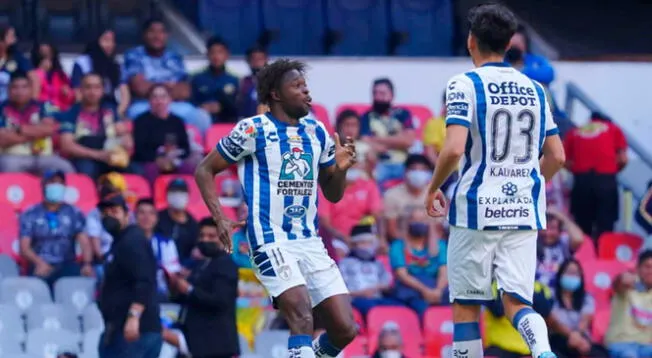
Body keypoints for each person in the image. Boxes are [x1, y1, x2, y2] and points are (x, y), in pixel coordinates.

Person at [424, 4, 565, 358]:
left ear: (471, 41)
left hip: (476, 210)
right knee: (518, 300)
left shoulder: (463, 84)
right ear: (507, 44)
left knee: (466, 304)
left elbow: (454, 148)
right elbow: (558, 156)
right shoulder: (535, 89)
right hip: (523, 210)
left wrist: (433, 187)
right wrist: (530, 184)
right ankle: (543, 351)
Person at [195, 59, 358, 358]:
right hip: (270, 240)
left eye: (306, 86)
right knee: (302, 318)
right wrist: (220, 218)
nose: (306, 92)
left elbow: (332, 195)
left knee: (345, 329)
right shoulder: (253, 130)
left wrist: (341, 170)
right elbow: (204, 170)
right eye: (297, 86)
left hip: (310, 241)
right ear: (275, 94)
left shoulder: (317, 131)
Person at [97, 193, 162, 358]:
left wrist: (134, 316)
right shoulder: (120, 241)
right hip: (121, 329)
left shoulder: (132, 240)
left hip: (136, 331)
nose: (109, 215)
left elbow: (145, 280)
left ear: (127, 214)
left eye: (114, 211)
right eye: (105, 212)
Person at [165, 217, 240, 358]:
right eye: (202, 236)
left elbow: (220, 300)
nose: (205, 240)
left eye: (211, 236)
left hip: (217, 346)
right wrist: (175, 286)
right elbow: (189, 298)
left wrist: (188, 289)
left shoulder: (226, 265)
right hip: (196, 343)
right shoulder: (200, 264)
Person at [124, 18, 211, 133]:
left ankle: (197, 150)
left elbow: (184, 91)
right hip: (145, 104)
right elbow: (139, 88)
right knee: (134, 113)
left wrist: (154, 86)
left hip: (173, 105)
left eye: (161, 32)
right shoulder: (134, 55)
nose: (157, 36)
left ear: (167, 35)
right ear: (145, 35)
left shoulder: (175, 58)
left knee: (201, 117)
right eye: (152, 31)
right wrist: (169, 86)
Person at [19, 170, 94, 287]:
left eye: (60, 183)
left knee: (78, 280)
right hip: (40, 263)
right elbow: (24, 248)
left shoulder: (74, 212)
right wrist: (39, 263)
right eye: (52, 182)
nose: (56, 186)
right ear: (43, 185)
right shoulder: (30, 213)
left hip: (67, 264)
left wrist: (87, 264)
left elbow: (84, 242)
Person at [564, 111, 628, 241]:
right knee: (606, 225)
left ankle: (583, 257)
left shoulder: (574, 131)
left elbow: (563, 159)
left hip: (581, 181)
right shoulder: (613, 128)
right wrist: (613, 169)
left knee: (582, 225)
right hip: (606, 180)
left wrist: (577, 170)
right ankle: (603, 256)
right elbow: (623, 159)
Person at [58, 72, 133, 179]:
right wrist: (98, 155)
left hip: (110, 155)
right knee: (87, 171)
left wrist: (125, 139)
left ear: (102, 90)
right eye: (88, 87)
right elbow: (66, 146)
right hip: (84, 157)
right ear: (81, 90)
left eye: (97, 87)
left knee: (132, 170)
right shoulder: (71, 113)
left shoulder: (111, 110)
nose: (92, 92)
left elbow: (126, 139)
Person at [0, 72, 75, 173]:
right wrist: (38, 131)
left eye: (24, 87)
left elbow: (51, 128)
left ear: (31, 89)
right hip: (13, 157)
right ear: (8, 90)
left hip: (44, 157)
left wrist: (18, 130)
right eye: (15, 87)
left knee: (66, 168)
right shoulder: (2, 109)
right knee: (8, 166)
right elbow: (3, 140)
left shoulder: (44, 106)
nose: (20, 91)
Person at [132, 84, 198, 184]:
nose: (159, 101)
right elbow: (140, 151)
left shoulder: (177, 121)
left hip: (174, 160)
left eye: (163, 97)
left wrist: (174, 156)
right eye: (155, 97)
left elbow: (186, 148)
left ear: (169, 99)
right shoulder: (140, 121)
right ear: (149, 101)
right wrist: (158, 160)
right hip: (151, 162)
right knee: (150, 170)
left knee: (192, 170)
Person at [389, 207, 448, 317]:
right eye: (415, 220)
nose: (419, 224)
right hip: (411, 289)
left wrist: (438, 291)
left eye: (422, 220)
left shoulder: (441, 245)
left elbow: (444, 272)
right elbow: (402, 275)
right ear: (408, 223)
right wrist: (425, 291)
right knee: (421, 307)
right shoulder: (397, 246)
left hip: (436, 286)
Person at [360, 78, 415, 184]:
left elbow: (409, 141)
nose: (377, 97)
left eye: (382, 93)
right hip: (379, 163)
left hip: (403, 163)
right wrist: (398, 139)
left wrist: (377, 139)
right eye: (375, 93)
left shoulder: (402, 114)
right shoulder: (366, 117)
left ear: (391, 95)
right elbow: (365, 140)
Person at [549, 259, 608, 357]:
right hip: (558, 336)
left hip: (581, 337)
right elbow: (552, 321)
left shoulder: (587, 298)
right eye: (569, 272)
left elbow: (586, 319)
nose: (572, 276)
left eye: (575, 273)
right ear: (560, 275)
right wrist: (571, 335)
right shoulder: (550, 295)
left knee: (601, 354)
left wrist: (578, 337)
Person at [71, 28, 131, 117]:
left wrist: (117, 114)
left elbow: (125, 95)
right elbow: (77, 93)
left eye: (112, 41)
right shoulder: (82, 62)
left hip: (110, 108)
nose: (110, 45)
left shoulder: (116, 65)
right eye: (106, 40)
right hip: (87, 107)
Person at [606, 250, 652, 358]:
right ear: (638, 269)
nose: (651, 271)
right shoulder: (627, 288)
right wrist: (625, 279)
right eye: (647, 266)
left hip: (646, 347)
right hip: (621, 344)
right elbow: (619, 283)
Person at [339, 225, 394, 316]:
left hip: (378, 298)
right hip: (356, 299)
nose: (367, 246)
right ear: (354, 244)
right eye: (363, 243)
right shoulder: (344, 264)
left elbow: (387, 283)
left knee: (398, 308)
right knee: (373, 310)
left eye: (369, 243)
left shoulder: (377, 263)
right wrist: (361, 293)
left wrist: (377, 287)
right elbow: (341, 290)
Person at [135, 198, 182, 302]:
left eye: (151, 213)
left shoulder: (166, 243)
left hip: (159, 294)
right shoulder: (126, 241)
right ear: (135, 217)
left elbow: (173, 274)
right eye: (142, 213)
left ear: (156, 218)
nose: (146, 217)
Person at [384, 154, 433, 240]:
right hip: (401, 242)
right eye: (414, 169)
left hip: (429, 243)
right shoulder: (391, 195)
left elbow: (438, 228)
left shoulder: (435, 194)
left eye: (422, 170)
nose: (418, 173)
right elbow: (392, 230)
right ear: (405, 172)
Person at [191, 36, 239, 124]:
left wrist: (221, 107)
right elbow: (191, 103)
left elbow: (238, 106)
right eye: (212, 52)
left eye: (220, 52)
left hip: (226, 123)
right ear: (207, 55)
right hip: (202, 123)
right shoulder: (197, 78)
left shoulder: (234, 79)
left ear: (227, 55)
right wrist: (201, 107)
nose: (216, 56)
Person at [536, 208, 588, 288]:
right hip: (537, 293)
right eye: (544, 228)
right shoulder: (533, 242)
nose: (547, 233)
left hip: (559, 293)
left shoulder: (564, 242)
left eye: (552, 228)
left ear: (560, 231)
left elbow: (578, 239)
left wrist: (562, 217)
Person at [155, 178, 199, 263]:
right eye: (174, 192)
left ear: (188, 196)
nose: (178, 195)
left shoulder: (194, 225)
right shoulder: (157, 218)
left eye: (182, 192)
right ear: (167, 195)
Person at [30, 41, 75, 110]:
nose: (46, 55)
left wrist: (67, 94)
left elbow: (69, 99)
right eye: (42, 52)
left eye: (49, 52)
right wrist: (41, 72)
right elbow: (32, 98)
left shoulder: (61, 75)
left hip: (59, 112)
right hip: (40, 110)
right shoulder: (31, 74)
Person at [0, 25, 33, 102]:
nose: (14, 40)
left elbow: (34, 79)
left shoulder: (18, 58)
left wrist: (32, 104)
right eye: (11, 36)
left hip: (9, 106)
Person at [237, 46, 268, 118]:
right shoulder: (243, 82)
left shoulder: (275, 82)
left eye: (260, 59)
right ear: (248, 61)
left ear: (266, 60)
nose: (257, 63)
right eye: (254, 59)